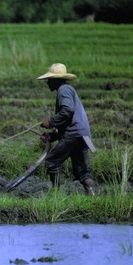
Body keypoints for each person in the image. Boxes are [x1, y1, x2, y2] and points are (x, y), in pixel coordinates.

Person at [37, 63, 96, 195]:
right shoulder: (67, 90)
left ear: (56, 80)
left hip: (74, 135)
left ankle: (57, 195)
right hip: (82, 135)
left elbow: (67, 111)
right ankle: (93, 195)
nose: (47, 83)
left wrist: (51, 121)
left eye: (49, 80)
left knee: (52, 162)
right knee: (82, 171)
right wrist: (52, 136)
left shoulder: (64, 90)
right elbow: (68, 121)